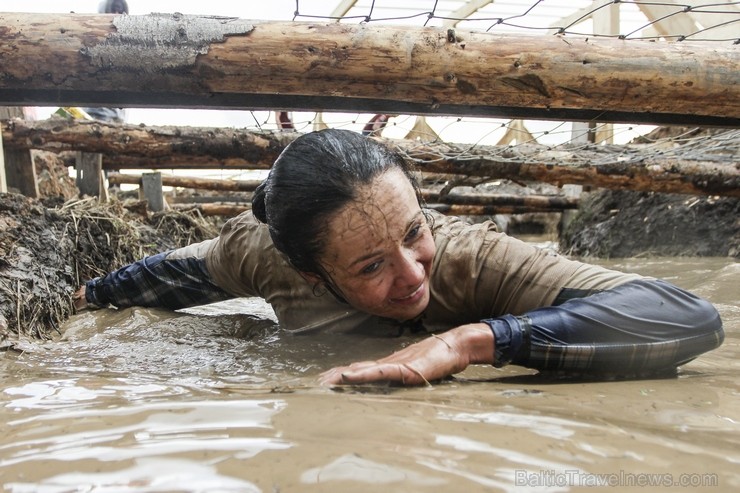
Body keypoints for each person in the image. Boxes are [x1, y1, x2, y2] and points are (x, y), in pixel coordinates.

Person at [74, 129, 724, 385]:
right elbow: (169, 274)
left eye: (413, 232)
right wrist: (91, 298)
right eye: (369, 266)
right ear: (309, 271)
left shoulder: (469, 260)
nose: (414, 273)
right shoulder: (258, 252)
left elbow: (689, 315)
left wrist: (477, 339)